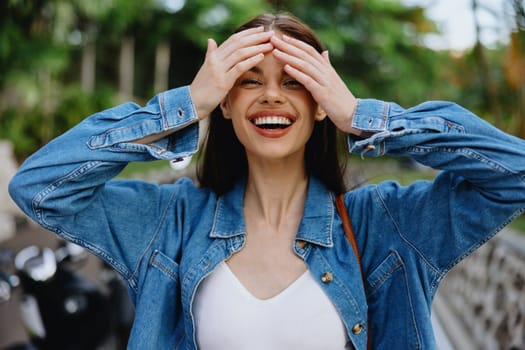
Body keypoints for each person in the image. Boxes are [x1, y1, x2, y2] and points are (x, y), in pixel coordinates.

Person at [8, 12, 525, 350]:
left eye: (295, 83)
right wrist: (184, 106)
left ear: (320, 104)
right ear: (227, 103)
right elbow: (40, 188)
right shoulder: (169, 220)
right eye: (249, 81)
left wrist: (365, 117)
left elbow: (514, 174)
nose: (272, 96)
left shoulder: (385, 224)